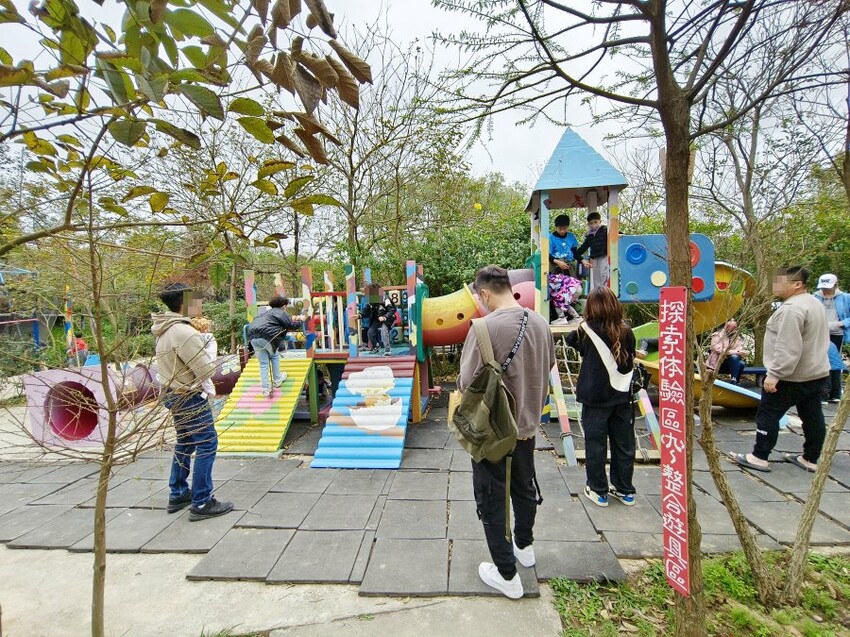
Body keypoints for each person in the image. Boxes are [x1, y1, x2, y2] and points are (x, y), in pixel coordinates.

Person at [458, 265, 555, 599]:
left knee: (492, 498)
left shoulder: (483, 328)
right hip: (527, 426)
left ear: (484, 293)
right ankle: (524, 547)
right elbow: (548, 366)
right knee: (524, 488)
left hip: (492, 433)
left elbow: (467, 382)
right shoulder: (541, 323)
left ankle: (506, 575)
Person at [732, 267, 829, 473]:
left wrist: (775, 374)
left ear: (797, 284)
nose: (774, 285)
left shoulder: (791, 309)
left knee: (768, 413)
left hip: (792, 376)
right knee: (812, 416)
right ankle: (810, 458)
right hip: (816, 372)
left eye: (780, 281)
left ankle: (759, 456)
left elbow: (788, 347)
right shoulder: (814, 303)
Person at [152, 282, 233, 521]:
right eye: (196, 299)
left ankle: (178, 492)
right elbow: (206, 370)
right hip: (188, 395)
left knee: (186, 442)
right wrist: (209, 350)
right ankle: (202, 501)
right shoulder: (185, 333)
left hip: (173, 392)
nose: (200, 303)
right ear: (185, 302)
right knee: (207, 443)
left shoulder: (165, 329)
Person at [565, 286, 637, 508]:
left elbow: (569, 340)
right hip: (622, 396)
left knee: (595, 445)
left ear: (591, 307)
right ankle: (624, 490)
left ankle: (598, 491)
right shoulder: (626, 331)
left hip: (595, 398)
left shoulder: (584, 330)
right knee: (624, 444)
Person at [246, 295, 303, 397]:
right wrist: (302, 320)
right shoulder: (281, 312)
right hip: (266, 337)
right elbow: (291, 325)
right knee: (274, 355)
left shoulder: (264, 314)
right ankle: (277, 379)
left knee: (263, 363)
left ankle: (265, 388)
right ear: (284, 306)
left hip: (253, 337)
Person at [814, 273, 850, 404]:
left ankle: (835, 393)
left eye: (828, 287)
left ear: (835, 285)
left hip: (837, 333)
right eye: (823, 287)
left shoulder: (845, 298)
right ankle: (823, 394)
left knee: (834, 362)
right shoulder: (815, 297)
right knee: (821, 361)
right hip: (819, 332)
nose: (825, 290)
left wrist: (842, 323)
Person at [548, 214, 583, 325]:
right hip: (556, 266)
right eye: (560, 229)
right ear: (556, 227)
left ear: (568, 227)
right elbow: (547, 254)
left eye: (564, 228)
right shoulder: (550, 238)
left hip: (569, 267)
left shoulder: (571, 237)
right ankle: (560, 316)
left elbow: (575, 252)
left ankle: (569, 317)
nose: (562, 231)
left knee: (566, 292)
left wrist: (582, 260)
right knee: (558, 292)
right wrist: (558, 262)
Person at [572, 211, 609, 290]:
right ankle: (597, 293)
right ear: (588, 224)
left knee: (604, 275)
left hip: (604, 256)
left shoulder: (605, 230)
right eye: (591, 223)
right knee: (596, 278)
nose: (594, 225)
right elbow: (583, 247)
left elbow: (615, 234)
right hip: (595, 258)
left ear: (600, 221)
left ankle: (604, 292)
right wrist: (574, 254)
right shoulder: (590, 235)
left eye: (596, 222)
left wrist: (620, 234)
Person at [706, 320, 747, 384]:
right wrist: (735, 352)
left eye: (734, 327)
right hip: (717, 363)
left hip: (731, 363)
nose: (732, 329)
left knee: (741, 363)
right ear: (725, 326)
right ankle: (734, 382)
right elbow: (719, 349)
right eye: (730, 327)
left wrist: (742, 352)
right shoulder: (717, 335)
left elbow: (739, 349)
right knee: (737, 360)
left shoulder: (738, 337)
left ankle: (734, 380)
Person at [189, 316, 217, 399]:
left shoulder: (193, 338)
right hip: (208, 362)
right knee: (205, 380)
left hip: (198, 362)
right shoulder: (210, 337)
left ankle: (207, 393)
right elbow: (212, 351)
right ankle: (208, 393)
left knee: (201, 380)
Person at [361, 289, 394, 356]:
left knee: (384, 331)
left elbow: (391, 310)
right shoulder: (371, 300)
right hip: (377, 319)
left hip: (387, 318)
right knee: (370, 332)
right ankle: (375, 346)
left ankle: (387, 349)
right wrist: (360, 315)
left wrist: (385, 317)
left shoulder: (385, 299)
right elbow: (366, 309)